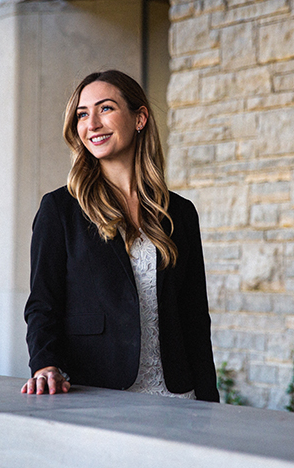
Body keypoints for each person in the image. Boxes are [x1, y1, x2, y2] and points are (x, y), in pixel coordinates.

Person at [21, 70, 219, 402]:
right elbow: (43, 303)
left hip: (178, 397)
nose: (92, 124)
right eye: (83, 114)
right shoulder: (60, 209)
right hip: (98, 392)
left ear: (140, 117)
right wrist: (45, 364)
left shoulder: (180, 213)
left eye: (106, 108)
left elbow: (195, 317)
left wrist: (209, 400)